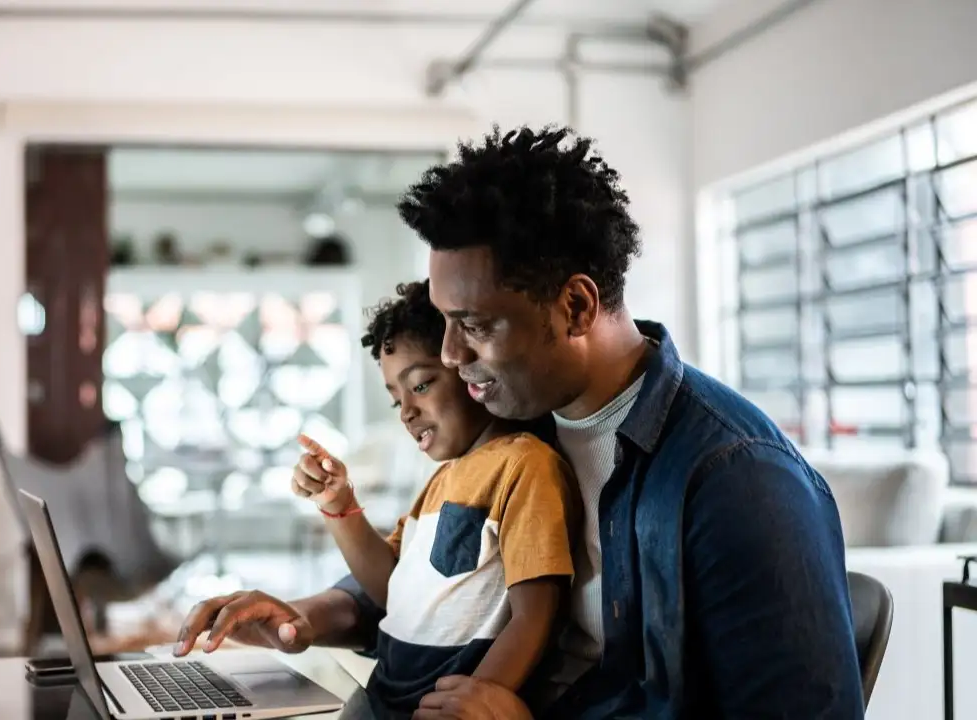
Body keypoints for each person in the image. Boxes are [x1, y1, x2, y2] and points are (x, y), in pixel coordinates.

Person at [174, 125, 864, 719]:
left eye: (473, 325)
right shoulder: (518, 422)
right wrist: (299, 620)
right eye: (444, 323)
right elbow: (429, 577)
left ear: (575, 306)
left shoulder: (738, 482)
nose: (449, 356)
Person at [286, 280, 579, 717]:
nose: (406, 411)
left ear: (469, 368)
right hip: (381, 699)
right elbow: (391, 589)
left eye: (421, 385)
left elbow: (536, 614)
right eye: (395, 400)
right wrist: (337, 504)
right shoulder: (441, 481)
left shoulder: (525, 465)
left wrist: (480, 696)